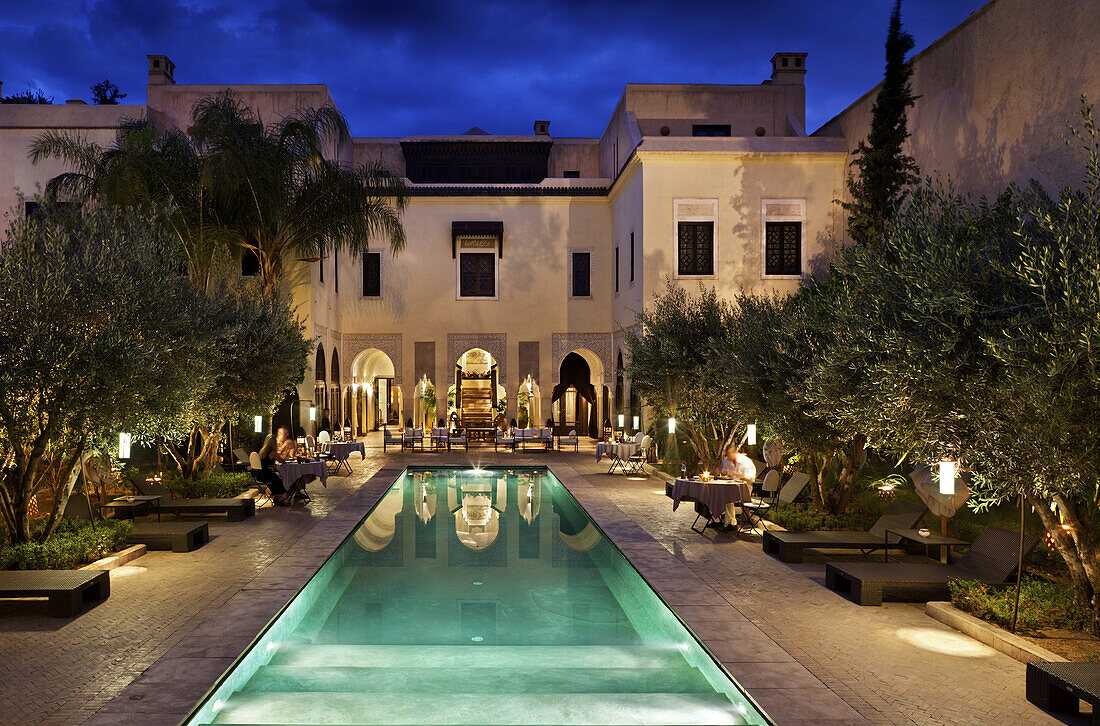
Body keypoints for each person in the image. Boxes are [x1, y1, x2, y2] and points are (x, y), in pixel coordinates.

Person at [256, 434, 290, 506]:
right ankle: (282, 499)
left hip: (259, 474)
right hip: (266, 475)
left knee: (277, 477)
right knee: (281, 479)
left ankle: (275, 497)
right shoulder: (272, 452)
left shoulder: (263, 451)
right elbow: (281, 461)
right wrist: (287, 455)